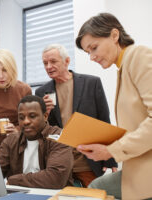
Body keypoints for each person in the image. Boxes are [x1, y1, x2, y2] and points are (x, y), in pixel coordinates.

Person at [76, 13, 152, 199]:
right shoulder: (122, 69)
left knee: (97, 188)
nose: (92, 57)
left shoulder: (138, 56)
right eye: (88, 53)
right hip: (137, 164)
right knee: (97, 186)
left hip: (146, 168)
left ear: (114, 35)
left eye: (94, 48)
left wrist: (111, 150)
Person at [35, 44, 117, 187]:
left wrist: (110, 157)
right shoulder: (42, 92)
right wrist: (44, 114)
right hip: (59, 166)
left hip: (88, 163)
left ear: (67, 61)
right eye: (45, 63)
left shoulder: (91, 83)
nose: (48, 66)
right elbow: (41, 132)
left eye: (53, 61)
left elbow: (104, 121)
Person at [0, 95, 73, 189]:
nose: (26, 122)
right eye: (21, 117)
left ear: (45, 116)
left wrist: (15, 180)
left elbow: (55, 178)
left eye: (32, 116)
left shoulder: (59, 136)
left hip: (54, 196)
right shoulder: (10, 141)